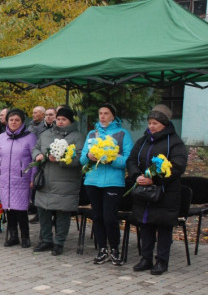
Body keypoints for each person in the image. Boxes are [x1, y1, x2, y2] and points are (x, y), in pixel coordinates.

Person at [127, 104, 187, 275]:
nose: (151, 126)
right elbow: (132, 160)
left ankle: (162, 261)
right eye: (150, 123)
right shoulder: (143, 140)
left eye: (155, 123)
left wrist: (154, 178)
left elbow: (178, 166)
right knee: (145, 225)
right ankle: (145, 258)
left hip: (165, 193)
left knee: (163, 227)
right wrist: (136, 175)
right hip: (144, 192)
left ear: (164, 124)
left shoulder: (174, 142)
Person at [80, 103, 133, 265]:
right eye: (100, 113)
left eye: (106, 113)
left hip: (113, 182)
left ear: (113, 116)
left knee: (110, 217)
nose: (103, 116)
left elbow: (128, 160)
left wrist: (112, 160)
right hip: (92, 181)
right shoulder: (91, 134)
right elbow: (82, 159)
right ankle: (102, 249)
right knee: (97, 217)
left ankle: (115, 249)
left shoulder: (122, 133)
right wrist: (89, 155)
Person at [32, 106, 85, 256]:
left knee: (62, 213)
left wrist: (61, 159)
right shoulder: (46, 134)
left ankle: (59, 242)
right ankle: (46, 240)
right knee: (43, 211)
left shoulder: (77, 137)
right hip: (46, 180)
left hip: (65, 182)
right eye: (59, 119)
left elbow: (79, 158)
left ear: (70, 121)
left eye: (64, 119)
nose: (60, 122)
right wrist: (37, 155)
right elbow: (35, 148)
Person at [0, 108, 37, 247]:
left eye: (17, 120)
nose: (14, 122)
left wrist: (33, 177)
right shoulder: (1, 137)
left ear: (22, 122)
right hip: (4, 179)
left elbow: (35, 160)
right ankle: (13, 236)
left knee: (21, 210)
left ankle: (25, 237)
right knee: (8, 209)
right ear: (7, 121)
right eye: (11, 120)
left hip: (22, 179)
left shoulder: (30, 137)